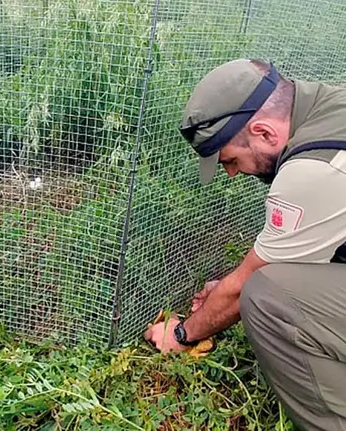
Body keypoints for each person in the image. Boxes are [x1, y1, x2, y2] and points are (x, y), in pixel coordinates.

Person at [143, 58, 346, 431]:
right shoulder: (330, 106)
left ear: (264, 133)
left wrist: (181, 335)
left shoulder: (315, 169)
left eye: (232, 160)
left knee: (267, 296)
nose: (233, 173)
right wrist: (227, 287)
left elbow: (246, 287)